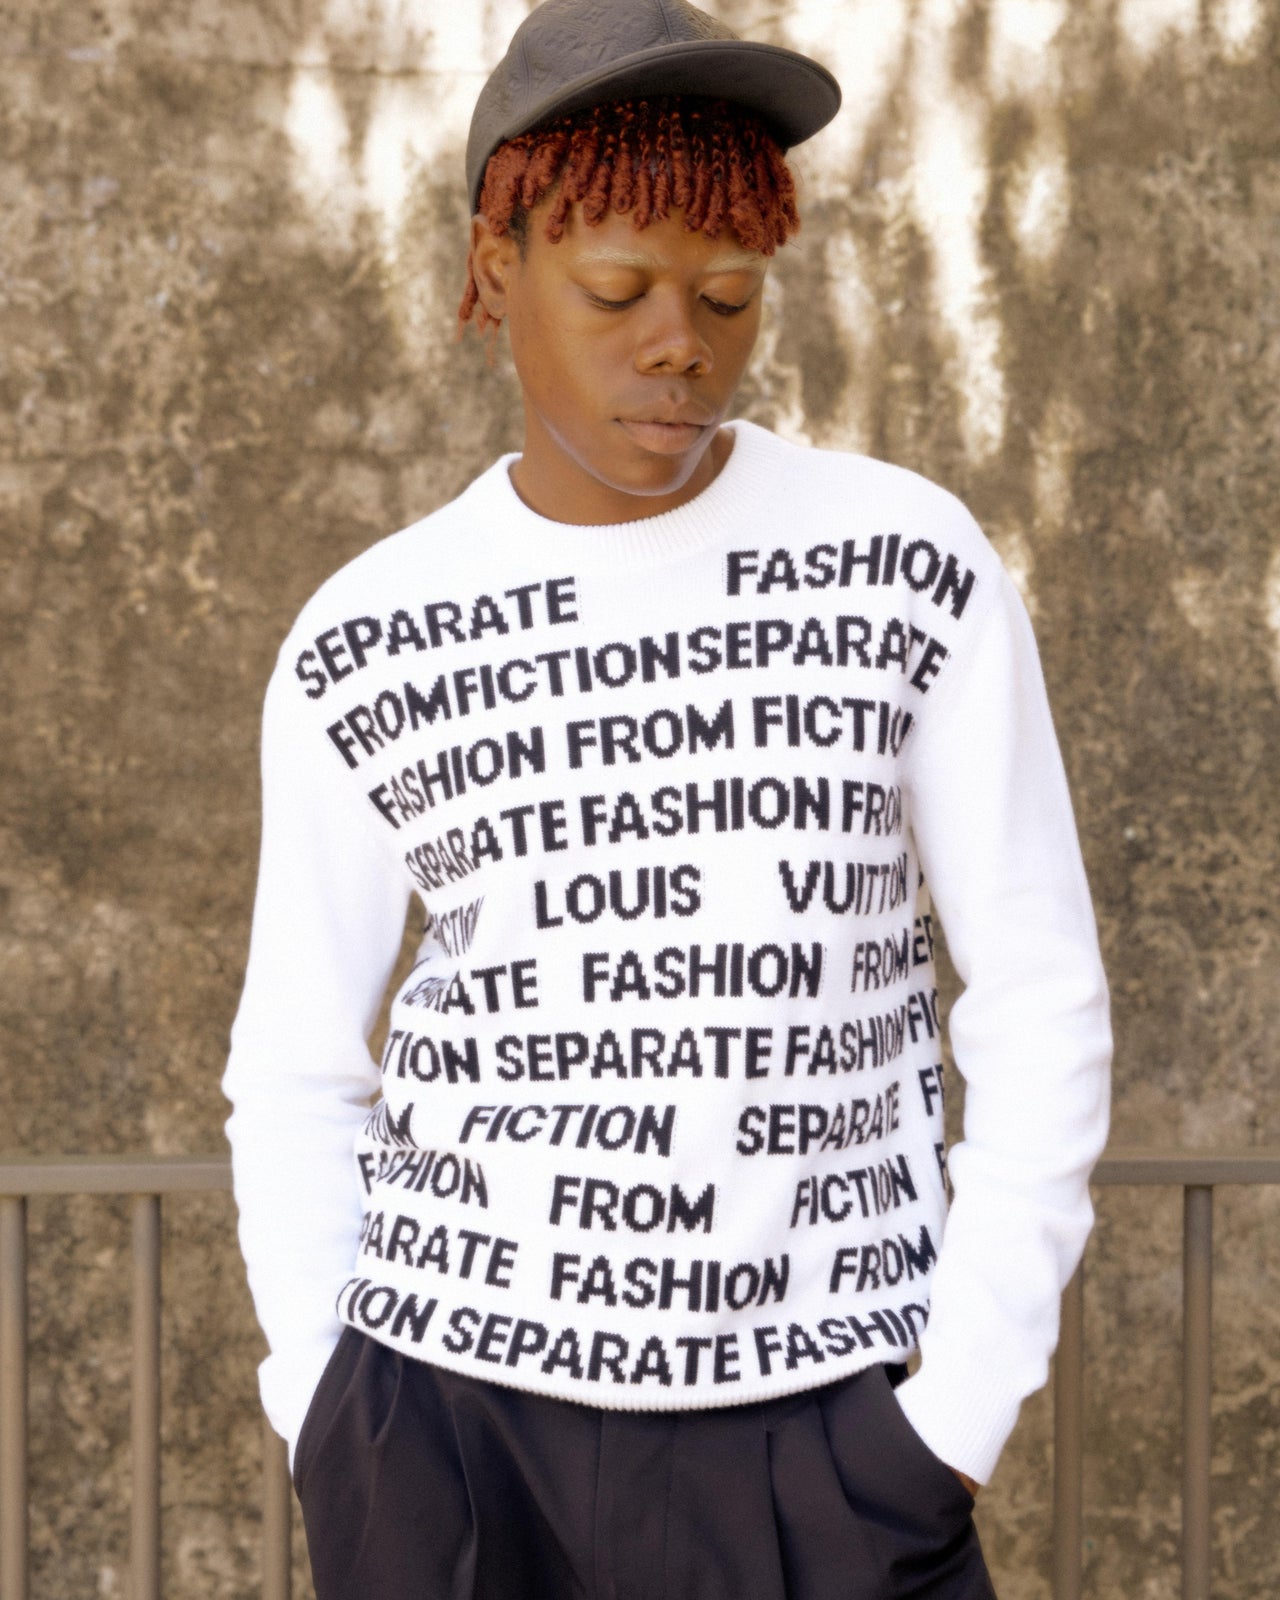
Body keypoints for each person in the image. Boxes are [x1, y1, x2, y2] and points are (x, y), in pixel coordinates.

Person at [223, 1, 1112, 1596]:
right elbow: (295, 1068)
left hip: (826, 1429)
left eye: (726, 293)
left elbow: (1041, 998)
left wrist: (952, 1413)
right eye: (618, 288)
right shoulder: (371, 632)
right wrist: (326, 1412)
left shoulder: (901, 563)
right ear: (495, 275)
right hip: (453, 1433)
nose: (679, 343)